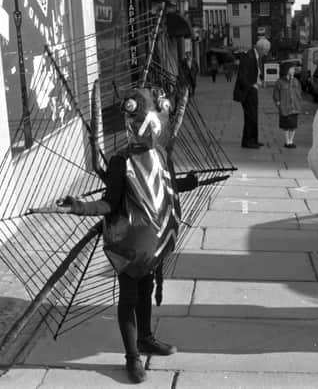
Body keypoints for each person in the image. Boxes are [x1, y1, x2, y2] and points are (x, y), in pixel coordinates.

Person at [38, 88, 199, 383]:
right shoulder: (120, 162)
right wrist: (81, 207)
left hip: (154, 240)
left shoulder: (160, 154)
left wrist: (187, 183)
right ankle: (132, 357)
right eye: (147, 123)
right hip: (128, 243)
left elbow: (164, 187)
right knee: (129, 297)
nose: (152, 129)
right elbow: (110, 202)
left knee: (147, 287)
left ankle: (146, 337)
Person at [233, 38, 271, 149]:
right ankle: (248, 141)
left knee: (254, 116)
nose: (266, 53)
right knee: (250, 117)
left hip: (252, 90)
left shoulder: (254, 56)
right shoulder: (249, 57)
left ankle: (253, 139)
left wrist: (259, 81)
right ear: (261, 48)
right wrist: (251, 86)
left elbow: (254, 72)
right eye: (266, 50)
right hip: (248, 92)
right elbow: (242, 76)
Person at [273, 62, 301, 148]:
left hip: (294, 107)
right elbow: (276, 94)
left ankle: (291, 141)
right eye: (292, 69)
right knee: (286, 125)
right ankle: (287, 141)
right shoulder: (280, 82)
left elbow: (299, 92)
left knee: (293, 125)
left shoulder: (296, 81)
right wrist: (278, 103)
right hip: (284, 107)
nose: (293, 70)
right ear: (287, 70)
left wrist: (299, 101)